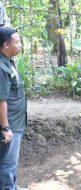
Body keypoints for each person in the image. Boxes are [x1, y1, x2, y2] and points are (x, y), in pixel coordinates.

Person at [0, 27, 28, 190]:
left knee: (8, 161)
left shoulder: (7, 62)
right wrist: (6, 128)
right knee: (7, 163)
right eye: (16, 42)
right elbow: (1, 100)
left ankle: (12, 186)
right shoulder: (1, 68)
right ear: (5, 45)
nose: (20, 45)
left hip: (15, 121)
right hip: (10, 124)